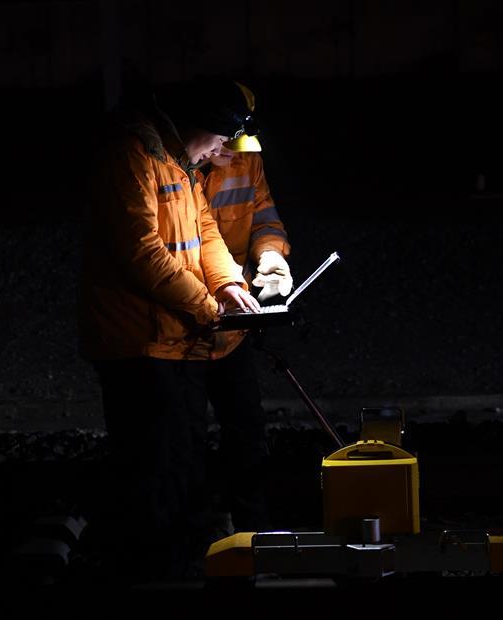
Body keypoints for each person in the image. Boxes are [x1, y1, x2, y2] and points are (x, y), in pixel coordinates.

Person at [79, 77, 262, 582]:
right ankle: (157, 574)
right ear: (198, 126)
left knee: (181, 466)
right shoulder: (131, 156)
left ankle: (181, 565)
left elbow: (205, 232)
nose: (223, 150)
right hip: (136, 346)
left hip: (173, 342)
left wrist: (227, 283)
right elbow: (142, 253)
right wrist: (207, 307)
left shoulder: (180, 165)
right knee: (155, 470)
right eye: (221, 138)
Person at [195, 84, 293, 537]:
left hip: (231, 324)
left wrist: (272, 255)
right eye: (224, 143)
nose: (229, 153)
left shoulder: (246, 159)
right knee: (187, 440)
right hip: (186, 327)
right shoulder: (183, 167)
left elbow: (265, 216)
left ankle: (254, 533)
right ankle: (200, 532)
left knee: (247, 434)